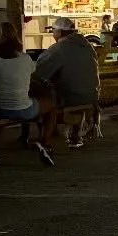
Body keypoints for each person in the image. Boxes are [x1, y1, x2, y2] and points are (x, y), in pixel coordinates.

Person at [0, 21, 56, 165]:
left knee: (0, 110)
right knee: (51, 107)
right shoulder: (25, 59)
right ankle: (45, 143)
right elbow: (31, 76)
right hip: (24, 110)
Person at [34, 17, 101, 148]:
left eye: (53, 30)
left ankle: (47, 133)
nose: (52, 34)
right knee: (73, 82)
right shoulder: (88, 46)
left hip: (71, 97)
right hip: (92, 95)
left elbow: (40, 72)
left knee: (42, 91)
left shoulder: (58, 49)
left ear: (60, 32)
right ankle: (75, 133)